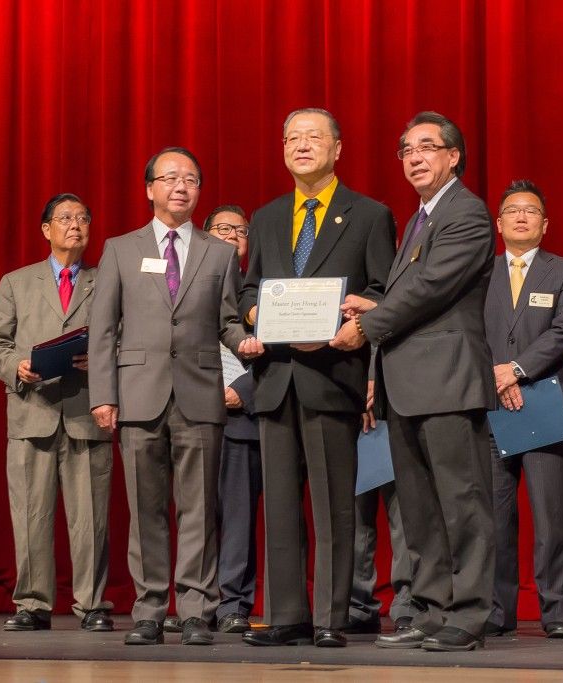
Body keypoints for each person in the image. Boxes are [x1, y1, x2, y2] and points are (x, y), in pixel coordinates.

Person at [331, 111, 497, 652]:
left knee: (461, 501)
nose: (415, 157)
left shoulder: (467, 213)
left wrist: (367, 325)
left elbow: (432, 287)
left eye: (427, 146)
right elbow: (413, 293)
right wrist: (374, 310)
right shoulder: (421, 218)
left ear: (454, 156)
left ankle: (468, 613)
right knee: (421, 507)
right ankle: (431, 607)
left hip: (447, 381)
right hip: (406, 383)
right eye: (406, 149)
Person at [88, 148, 264, 646]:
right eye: (170, 178)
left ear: (199, 190)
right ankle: (148, 610)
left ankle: (195, 610)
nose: (180, 186)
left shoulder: (219, 252)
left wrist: (246, 343)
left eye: (190, 179)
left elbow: (227, 320)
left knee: (198, 510)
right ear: (150, 188)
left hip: (200, 394)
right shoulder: (120, 249)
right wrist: (103, 394)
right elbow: (103, 329)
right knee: (146, 511)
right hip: (138, 394)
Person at [239, 108, 396, 648]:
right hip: (276, 378)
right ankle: (286, 615)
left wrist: (354, 326)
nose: (301, 145)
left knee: (334, 505)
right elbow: (249, 288)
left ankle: (331, 617)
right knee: (280, 506)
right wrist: (256, 314)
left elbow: (383, 291)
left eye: (313, 137)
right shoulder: (266, 217)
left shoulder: (369, 215)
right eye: (292, 138)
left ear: (337, 149)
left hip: (333, 375)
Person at [0, 193, 114, 633]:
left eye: (83, 218)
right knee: (30, 514)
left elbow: (125, 337)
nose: (75, 225)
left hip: (87, 412)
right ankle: (33, 604)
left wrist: (102, 359)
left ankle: (92, 604)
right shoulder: (16, 282)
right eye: (65, 218)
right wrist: (16, 367)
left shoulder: (106, 280)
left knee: (90, 518)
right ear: (46, 229)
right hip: (31, 412)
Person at [483, 179, 563, 640]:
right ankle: (496, 612)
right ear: (499, 223)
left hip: (542, 402)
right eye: (512, 210)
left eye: (530, 211)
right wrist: (494, 374)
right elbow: (467, 330)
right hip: (490, 405)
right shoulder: (479, 273)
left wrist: (516, 369)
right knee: (494, 520)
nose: (521, 216)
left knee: (551, 518)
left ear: (545, 224)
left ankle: (557, 611)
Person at [206, 205, 262, 634]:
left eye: (239, 231)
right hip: (192, 414)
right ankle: (197, 601)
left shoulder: (260, 291)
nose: (230, 236)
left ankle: (232, 604)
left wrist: (244, 390)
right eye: (221, 228)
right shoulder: (186, 285)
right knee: (196, 516)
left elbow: (282, 349)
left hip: (244, 417)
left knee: (239, 516)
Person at [344, 383, 415, 634]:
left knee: (403, 517)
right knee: (356, 518)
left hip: (397, 407)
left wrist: (376, 384)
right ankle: (358, 605)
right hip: (351, 411)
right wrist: (358, 393)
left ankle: (407, 603)